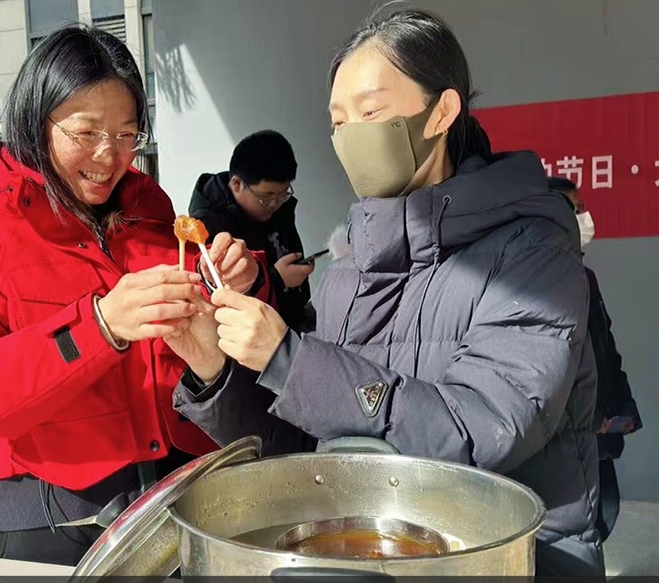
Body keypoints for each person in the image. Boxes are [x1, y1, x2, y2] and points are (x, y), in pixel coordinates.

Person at [165, 9, 604, 576]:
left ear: (441, 111)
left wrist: (290, 360)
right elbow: (307, 455)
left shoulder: (531, 255)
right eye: (338, 122)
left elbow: (483, 432)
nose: (351, 137)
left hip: (501, 561)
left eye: (370, 113)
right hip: (366, 555)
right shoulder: (349, 267)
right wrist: (215, 368)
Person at [0, 24, 268, 566]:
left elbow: (210, 332)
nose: (110, 155)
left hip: (185, 497)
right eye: (87, 132)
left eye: (127, 134)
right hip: (54, 520)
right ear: (36, 122)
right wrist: (99, 326)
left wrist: (239, 278)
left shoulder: (152, 215)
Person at [549, 176, 643, 544]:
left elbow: (606, 348)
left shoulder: (586, 277)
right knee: (582, 521)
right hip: (571, 430)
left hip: (599, 425)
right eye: (575, 209)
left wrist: (623, 408)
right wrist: (588, 417)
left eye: (583, 207)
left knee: (606, 509)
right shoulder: (545, 279)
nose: (585, 217)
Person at [190, 130, 314, 332]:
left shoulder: (280, 208)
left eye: (283, 194)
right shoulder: (208, 225)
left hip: (291, 327)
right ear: (236, 184)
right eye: (266, 196)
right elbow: (219, 298)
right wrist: (276, 280)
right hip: (250, 338)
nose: (274, 204)